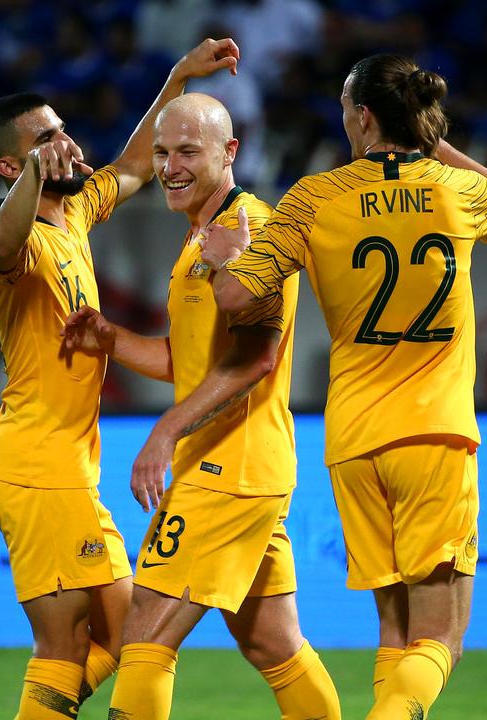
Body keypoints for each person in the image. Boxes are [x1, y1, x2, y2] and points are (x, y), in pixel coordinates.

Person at [203, 54, 487, 720]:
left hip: (353, 441)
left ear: (363, 115)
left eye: (346, 107)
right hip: (435, 435)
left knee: (396, 632)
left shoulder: (314, 199)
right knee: (441, 639)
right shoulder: (450, 189)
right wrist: (434, 143)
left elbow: (236, 297)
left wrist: (220, 262)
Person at [0, 38, 240, 719]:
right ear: (12, 164)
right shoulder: (11, 240)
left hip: (64, 465)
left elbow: (130, 165)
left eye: (61, 132)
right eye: (43, 141)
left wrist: (178, 78)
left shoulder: (76, 215)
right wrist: (30, 176)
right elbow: (4, 243)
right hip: (36, 465)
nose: (63, 144)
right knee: (75, 646)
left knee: (122, 640)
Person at [60, 93, 341, 720]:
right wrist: (110, 337)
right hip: (241, 469)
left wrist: (165, 431)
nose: (169, 166)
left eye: (188, 151)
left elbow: (256, 359)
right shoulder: (201, 240)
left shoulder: (256, 233)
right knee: (274, 644)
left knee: (144, 639)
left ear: (230, 153)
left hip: (226, 469)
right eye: (161, 152)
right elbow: (186, 362)